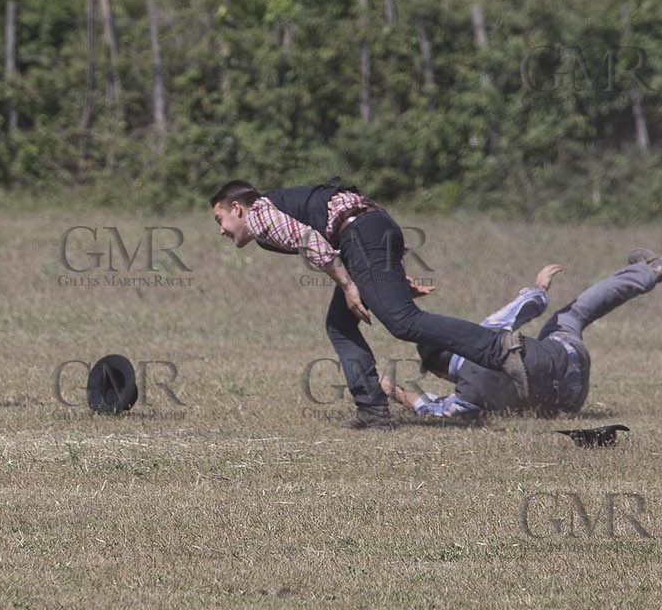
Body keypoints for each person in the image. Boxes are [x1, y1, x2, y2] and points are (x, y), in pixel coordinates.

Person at [210, 178, 530, 429]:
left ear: (237, 208)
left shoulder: (261, 218)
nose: (221, 231)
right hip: (368, 229)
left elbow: (312, 242)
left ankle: (498, 348)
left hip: (360, 234)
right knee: (340, 325)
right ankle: (373, 410)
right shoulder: (269, 216)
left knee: (402, 321)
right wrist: (391, 279)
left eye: (219, 219)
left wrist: (350, 285)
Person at [383, 248, 662, 420]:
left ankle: (648, 272)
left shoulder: (466, 397)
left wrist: (397, 393)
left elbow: (436, 411)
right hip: (570, 357)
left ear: (437, 373)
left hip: (570, 402)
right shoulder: (484, 335)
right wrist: (539, 286)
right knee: (573, 315)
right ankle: (651, 271)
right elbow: (527, 307)